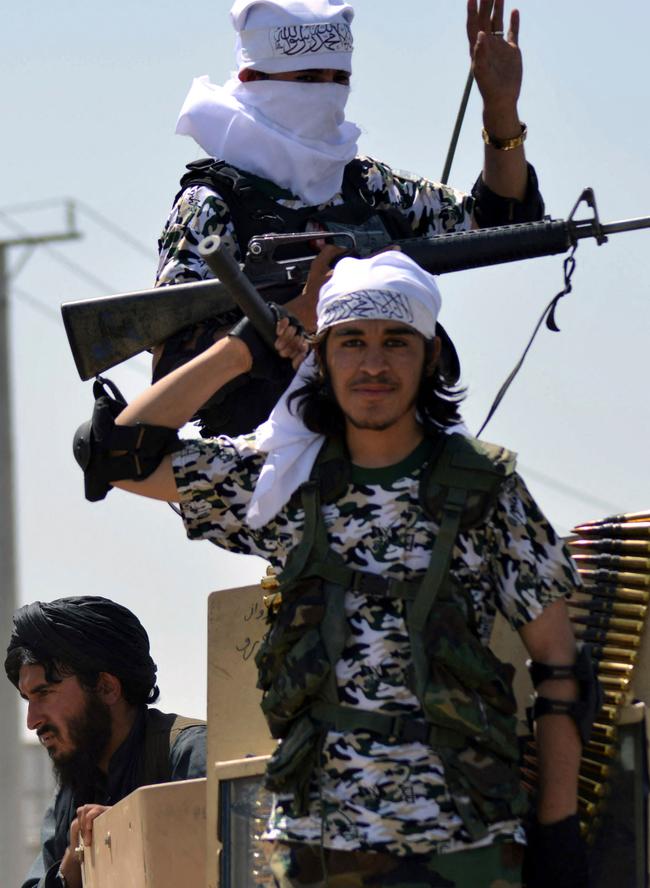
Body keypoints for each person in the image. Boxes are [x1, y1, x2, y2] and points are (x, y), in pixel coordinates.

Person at [76, 251, 595, 887]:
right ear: (324, 357)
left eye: (395, 342)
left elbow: (561, 668)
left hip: (466, 846)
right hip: (320, 850)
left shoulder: (485, 487)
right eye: (351, 342)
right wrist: (246, 345)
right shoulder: (285, 484)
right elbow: (117, 455)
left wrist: (559, 829)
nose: (373, 364)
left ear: (429, 357)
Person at [152, 0, 545, 437]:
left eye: (338, 77)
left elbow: (498, 222)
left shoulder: (365, 185)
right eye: (309, 78)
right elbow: (172, 372)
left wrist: (499, 110)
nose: (326, 91)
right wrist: (294, 314)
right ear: (252, 77)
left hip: (378, 462)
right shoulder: (210, 205)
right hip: (257, 474)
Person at [5, 596, 206, 888]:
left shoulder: (189, 755)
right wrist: (70, 870)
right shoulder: (70, 796)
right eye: (28, 700)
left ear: (106, 688)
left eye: (44, 693)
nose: (32, 720)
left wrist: (131, 833)